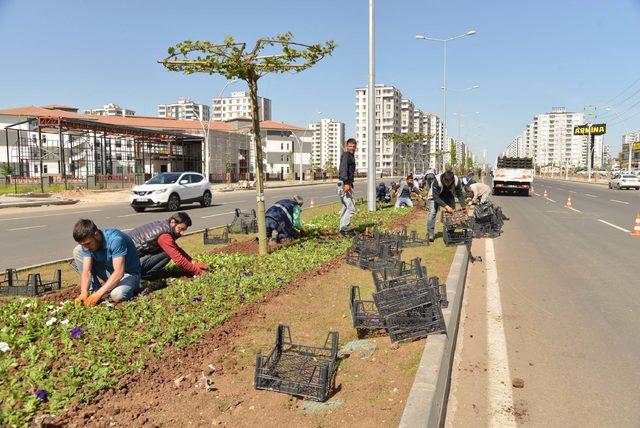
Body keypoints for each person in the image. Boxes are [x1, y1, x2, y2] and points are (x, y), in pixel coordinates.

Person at [72, 219, 141, 306]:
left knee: (117, 295)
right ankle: (93, 291)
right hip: (110, 270)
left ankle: (132, 288)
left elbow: (119, 273)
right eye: (83, 245)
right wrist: (83, 292)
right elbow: (86, 271)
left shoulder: (115, 240)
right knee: (78, 250)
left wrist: (99, 294)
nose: (86, 248)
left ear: (96, 234)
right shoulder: (87, 245)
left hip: (128, 274)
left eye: (88, 243)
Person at [128, 212, 208, 280]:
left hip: (130, 259)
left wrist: (194, 263)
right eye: (180, 229)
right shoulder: (164, 236)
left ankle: (142, 272)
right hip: (127, 264)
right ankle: (143, 275)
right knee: (168, 253)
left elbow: (176, 248)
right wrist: (199, 272)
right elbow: (179, 260)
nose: (182, 233)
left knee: (169, 250)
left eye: (184, 230)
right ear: (173, 222)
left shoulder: (164, 227)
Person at [427, 170, 466, 242]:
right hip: (434, 195)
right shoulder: (437, 181)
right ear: (443, 179)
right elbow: (436, 197)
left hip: (448, 195)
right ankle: (430, 234)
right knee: (432, 212)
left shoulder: (456, 181)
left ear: (452, 180)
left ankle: (450, 233)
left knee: (453, 212)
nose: (447, 184)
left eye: (449, 182)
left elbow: (459, 194)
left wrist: (463, 206)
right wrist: (446, 206)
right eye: (446, 182)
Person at [338, 138, 357, 236]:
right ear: (346, 146)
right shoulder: (346, 155)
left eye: (354, 146)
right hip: (345, 184)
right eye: (350, 146)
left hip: (346, 184)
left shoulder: (351, 156)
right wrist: (346, 183)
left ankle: (341, 229)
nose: (352, 148)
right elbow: (343, 169)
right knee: (351, 208)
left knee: (346, 207)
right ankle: (343, 229)